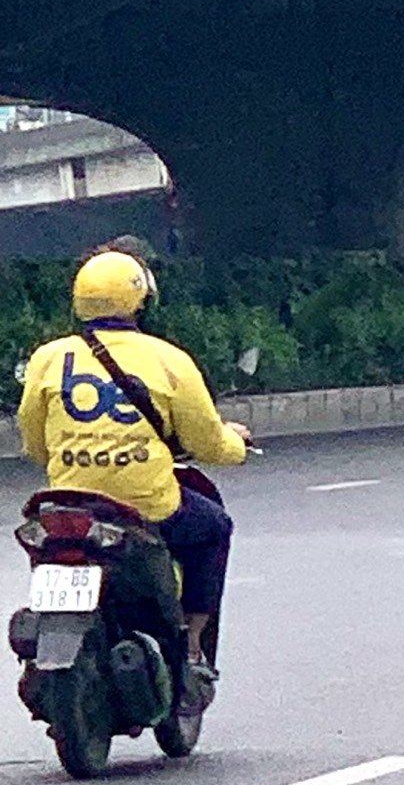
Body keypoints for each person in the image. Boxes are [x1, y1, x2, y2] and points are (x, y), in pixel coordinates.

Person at [15, 251, 251, 703]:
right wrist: (237, 444)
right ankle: (195, 647)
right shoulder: (169, 361)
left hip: (68, 506)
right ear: (140, 304)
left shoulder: (48, 359)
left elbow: (35, 442)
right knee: (214, 529)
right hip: (146, 509)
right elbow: (208, 445)